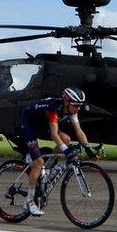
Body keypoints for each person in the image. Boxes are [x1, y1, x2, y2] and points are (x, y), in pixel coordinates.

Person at [18, 87, 91, 216]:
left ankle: (49, 169)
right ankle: (29, 202)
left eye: (80, 106)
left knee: (67, 139)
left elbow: (78, 131)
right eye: (76, 105)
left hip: (43, 124)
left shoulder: (72, 109)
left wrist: (88, 148)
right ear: (67, 102)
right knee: (38, 163)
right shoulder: (52, 107)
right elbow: (54, 135)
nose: (78, 109)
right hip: (29, 125)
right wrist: (67, 151)